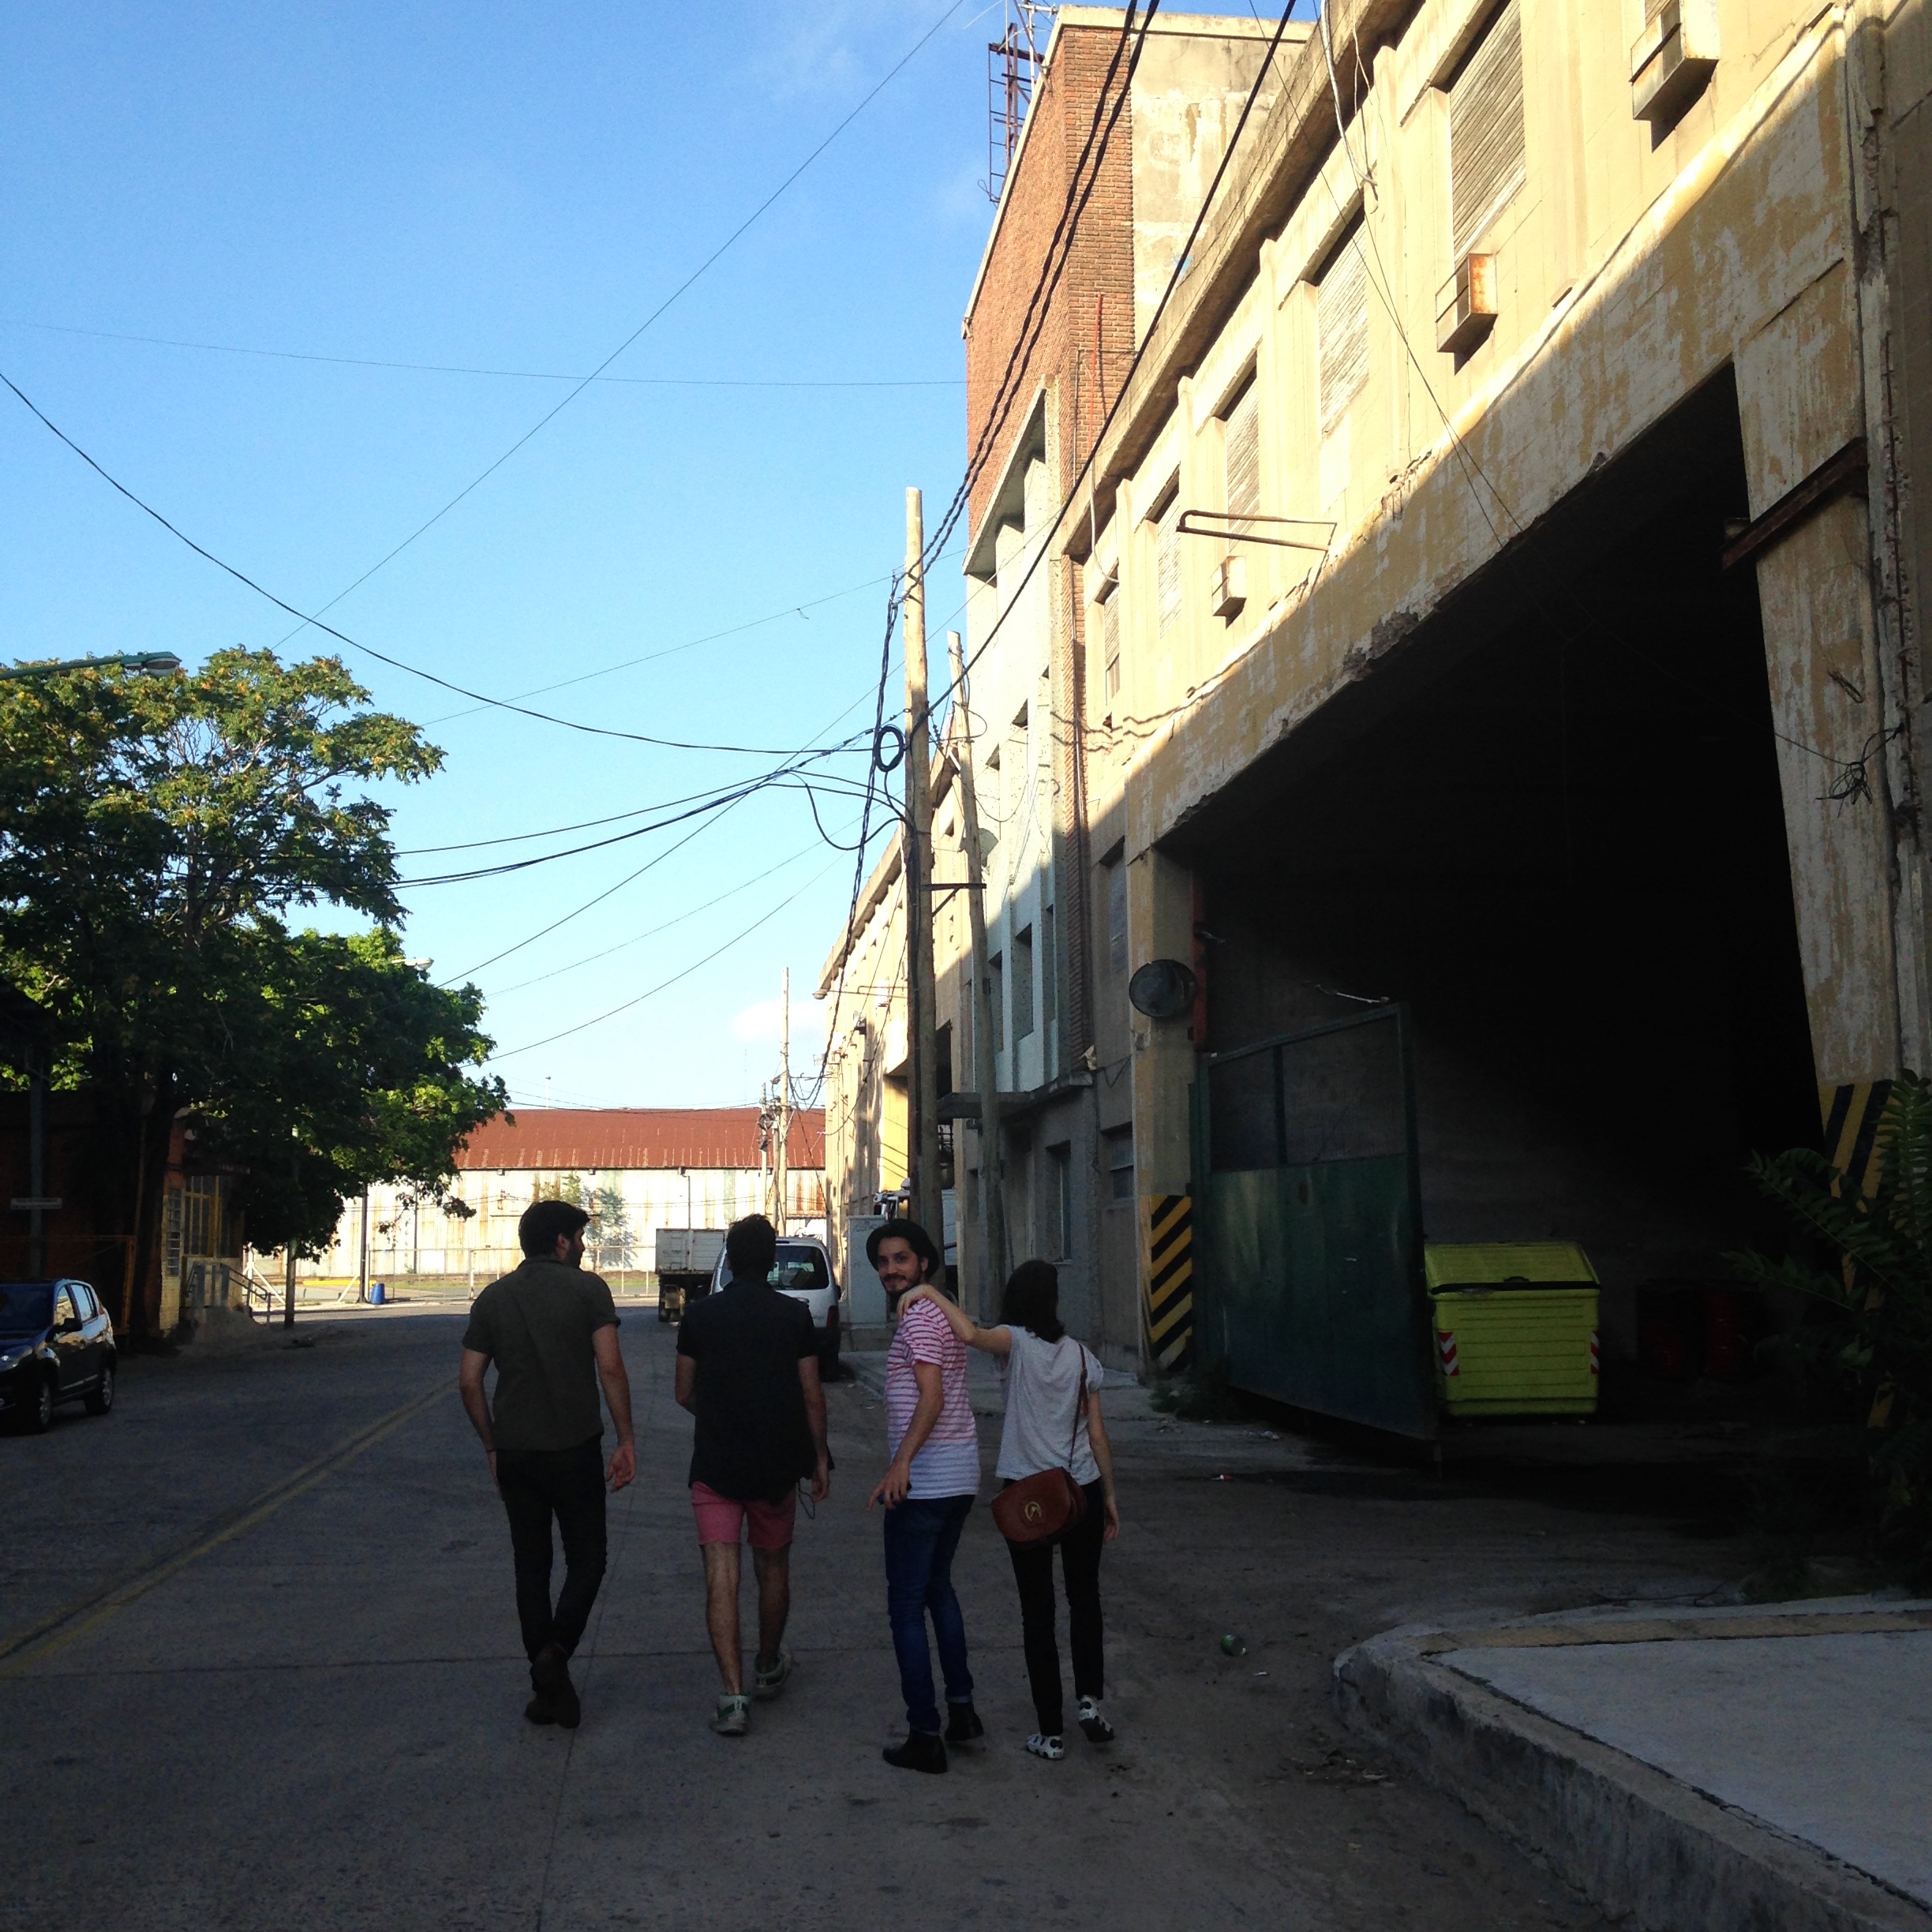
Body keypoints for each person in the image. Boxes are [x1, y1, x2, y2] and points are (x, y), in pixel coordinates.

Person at [901, 1258, 1119, 1761]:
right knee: (1085, 1598)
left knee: (1037, 1610)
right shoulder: (1083, 1357)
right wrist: (1109, 1496)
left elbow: (969, 1335)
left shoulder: (1014, 1343)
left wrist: (929, 1292)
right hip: (1081, 1490)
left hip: (1030, 1497)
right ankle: (1090, 1700)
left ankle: (1051, 1732)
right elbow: (1097, 1435)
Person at [459, 1197, 635, 1730]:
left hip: (516, 1453)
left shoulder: (494, 1298)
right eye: (579, 1237)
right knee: (588, 1559)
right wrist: (626, 1438)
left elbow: (469, 1380)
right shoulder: (588, 1290)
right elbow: (610, 1367)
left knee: (531, 1566)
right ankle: (556, 1654)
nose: (583, 1245)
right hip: (574, 1450)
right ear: (561, 1241)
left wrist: (492, 1445)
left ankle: (547, 1688)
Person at [675, 1213, 830, 1738]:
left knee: (722, 1576)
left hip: (715, 1465)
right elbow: (812, 1395)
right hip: (776, 1465)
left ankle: (733, 1697)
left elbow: (683, 1391)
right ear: (769, 1263)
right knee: (773, 1567)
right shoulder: (793, 1316)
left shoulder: (700, 1315)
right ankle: (767, 1666)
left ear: (730, 1259)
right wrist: (819, 1457)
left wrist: (719, 1414)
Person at [865, 1215, 982, 1774]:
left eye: (901, 1259)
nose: (891, 1270)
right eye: (883, 1262)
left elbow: (931, 1398)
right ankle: (962, 1711)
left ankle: (925, 1734)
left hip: (929, 1482)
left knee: (906, 1608)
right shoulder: (937, 1312)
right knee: (939, 1591)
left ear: (925, 1263)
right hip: (958, 1477)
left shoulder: (919, 1318)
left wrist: (901, 1464)